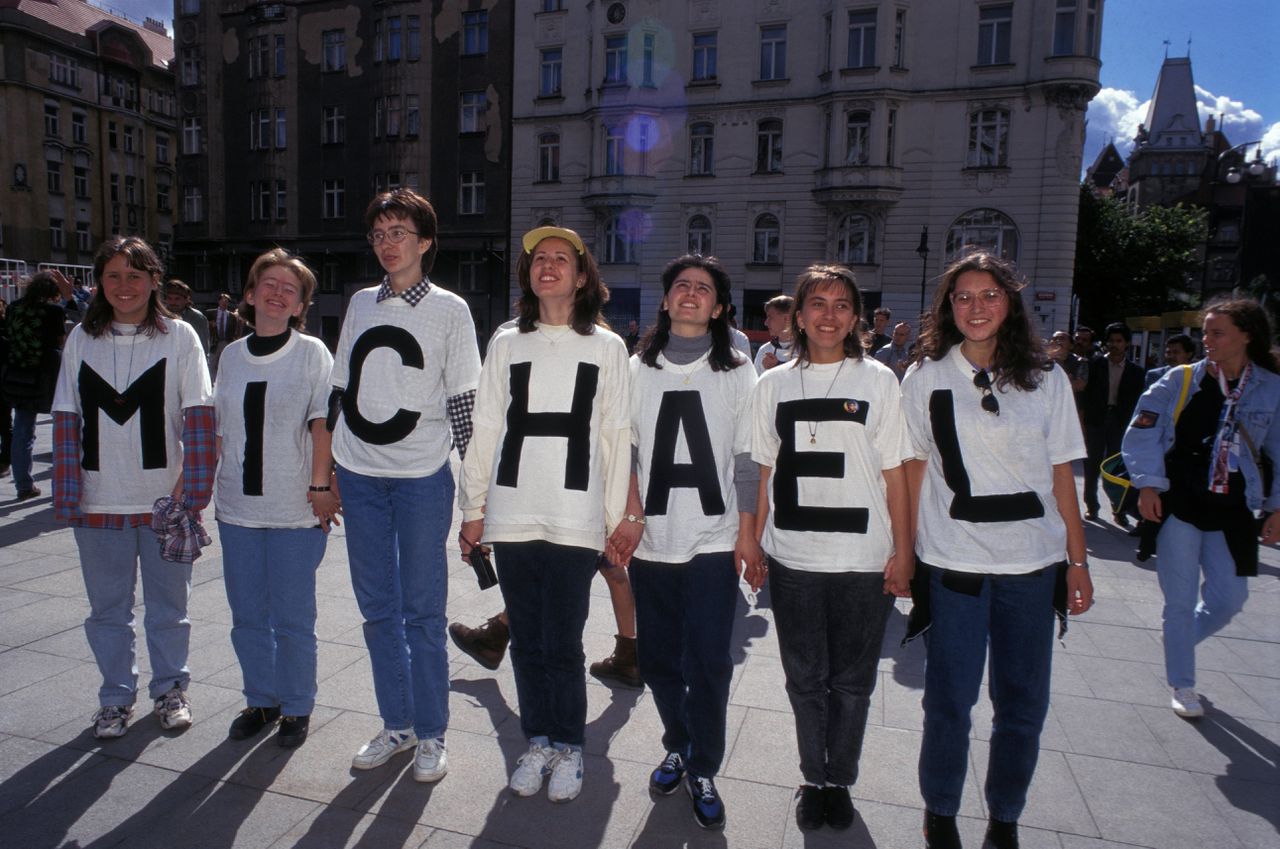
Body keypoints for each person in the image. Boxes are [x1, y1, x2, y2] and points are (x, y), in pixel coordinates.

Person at [901, 252, 1092, 849]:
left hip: (1031, 568)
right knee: (949, 702)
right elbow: (910, 470)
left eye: (988, 295)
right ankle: (941, 811)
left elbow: (1063, 477)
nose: (975, 307)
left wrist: (1078, 562)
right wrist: (904, 554)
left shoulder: (1045, 376)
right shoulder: (925, 376)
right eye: (963, 297)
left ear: (1010, 303)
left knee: (1022, 704)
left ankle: (1005, 814)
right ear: (947, 306)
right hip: (954, 561)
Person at [459, 225, 630, 803]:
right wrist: (474, 506)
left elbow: (614, 435)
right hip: (513, 511)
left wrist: (613, 519)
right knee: (528, 638)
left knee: (563, 640)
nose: (548, 266)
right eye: (538, 259)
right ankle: (538, 740)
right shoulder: (507, 342)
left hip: (575, 515)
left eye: (562, 258)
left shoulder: (606, 348)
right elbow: (486, 426)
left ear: (583, 276)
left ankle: (570, 745)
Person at [753, 264, 913, 833]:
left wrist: (904, 549)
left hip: (864, 559)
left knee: (852, 680)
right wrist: (752, 541)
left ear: (856, 317)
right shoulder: (771, 383)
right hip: (794, 558)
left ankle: (839, 777)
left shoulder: (877, 381)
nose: (828, 314)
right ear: (798, 315)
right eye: (816, 303)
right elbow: (763, 470)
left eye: (841, 304)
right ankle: (811, 776)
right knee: (804, 677)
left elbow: (896, 473)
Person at [603, 254, 761, 830]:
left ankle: (703, 765)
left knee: (711, 661)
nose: (691, 295)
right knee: (662, 659)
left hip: (714, 539)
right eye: (681, 287)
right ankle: (678, 742)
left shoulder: (740, 370)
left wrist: (749, 534)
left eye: (704, 289)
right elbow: (624, 450)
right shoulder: (633, 368)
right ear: (666, 300)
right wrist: (630, 514)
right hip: (651, 540)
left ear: (719, 307)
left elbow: (748, 459)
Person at [329, 188, 482, 780]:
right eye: (379, 234)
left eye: (399, 232)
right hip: (360, 475)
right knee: (376, 608)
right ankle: (396, 725)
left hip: (420, 478)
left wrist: (476, 501)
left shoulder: (450, 309)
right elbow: (339, 391)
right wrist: (327, 476)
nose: (388, 244)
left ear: (424, 242)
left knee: (422, 609)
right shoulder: (361, 303)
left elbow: (465, 407)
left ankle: (432, 732)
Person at [51, 236, 214, 739]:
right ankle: (115, 698)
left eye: (136, 275)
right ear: (99, 282)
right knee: (108, 612)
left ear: (154, 281)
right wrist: (68, 493)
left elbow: (200, 416)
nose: (125, 286)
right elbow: (65, 416)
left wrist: (195, 491)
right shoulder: (82, 338)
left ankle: (169, 689)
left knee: (171, 609)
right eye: (114, 275)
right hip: (100, 501)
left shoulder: (180, 337)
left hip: (164, 500)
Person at [1122, 298, 1280, 719]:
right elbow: (1141, 435)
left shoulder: (1270, 387)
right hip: (1180, 502)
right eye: (1205, 332)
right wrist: (1148, 486)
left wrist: (1277, 507)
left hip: (1235, 508)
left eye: (1217, 332)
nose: (1206, 340)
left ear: (1246, 335)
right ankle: (1183, 684)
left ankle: (1178, 640)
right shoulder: (1179, 380)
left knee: (1230, 598)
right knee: (1179, 598)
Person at [213, 249, 337, 749]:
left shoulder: (312, 353)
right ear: (250, 294)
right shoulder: (230, 356)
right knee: (246, 616)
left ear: (301, 303)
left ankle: (297, 705)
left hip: (294, 509)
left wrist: (323, 484)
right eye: (269, 283)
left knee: (291, 616)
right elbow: (221, 430)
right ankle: (261, 700)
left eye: (291, 288)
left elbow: (322, 424)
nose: (278, 293)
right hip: (237, 508)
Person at [4, 272, 71, 500]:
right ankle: (61, 486)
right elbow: (60, 340)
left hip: (18, 373)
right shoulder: (53, 311)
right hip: (47, 374)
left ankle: (23, 484)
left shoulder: (14, 308)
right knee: (59, 426)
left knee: (23, 428)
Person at [1081, 322, 1144, 522]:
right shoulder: (1094, 365)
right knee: (1091, 465)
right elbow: (1084, 396)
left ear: (1127, 344)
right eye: (1111, 341)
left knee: (1117, 469)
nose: (1114, 344)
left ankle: (1119, 510)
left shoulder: (1136, 371)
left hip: (1120, 423)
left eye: (1119, 341)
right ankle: (1092, 505)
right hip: (1096, 421)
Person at [164, 279, 211, 360]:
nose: (173, 302)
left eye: (177, 299)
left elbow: (202, 348)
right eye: (170, 298)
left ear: (186, 300)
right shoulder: (160, 316)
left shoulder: (197, 318)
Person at [753, 294, 794, 374]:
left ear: (786, 319)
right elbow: (756, 384)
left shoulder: (808, 350)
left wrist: (776, 366)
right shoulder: (764, 350)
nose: (765, 323)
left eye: (770, 317)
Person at [207, 292, 244, 377]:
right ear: (219, 302)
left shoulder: (232, 316)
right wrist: (210, 324)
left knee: (226, 362)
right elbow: (204, 325)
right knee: (212, 363)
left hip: (227, 342)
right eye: (223, 301)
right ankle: (212, 383)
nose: (224, 303)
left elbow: (235, 329)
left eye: (226, 301)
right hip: (214, 341)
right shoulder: (210, 313)